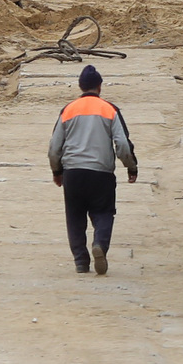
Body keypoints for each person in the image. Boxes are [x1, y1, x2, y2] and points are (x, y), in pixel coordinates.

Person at [49, 64, 137, 274]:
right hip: (101, 173)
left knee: (75, 216)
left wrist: (57, 171)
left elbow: (54, 148)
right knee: (104, 213)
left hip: (73, 172)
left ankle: (81, 261)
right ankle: (100, 244)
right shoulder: (110, 109)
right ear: (99, 87)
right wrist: (131, 167)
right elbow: (123, 145)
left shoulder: (68, 110)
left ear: (81, 86)